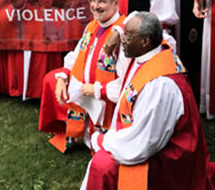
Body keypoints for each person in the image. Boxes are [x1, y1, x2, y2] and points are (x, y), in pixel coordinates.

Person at [80, 12, 215, 190]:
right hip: (148, 137)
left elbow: (143, 144)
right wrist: (119, 32)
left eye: (127, 36)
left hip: (167, 158)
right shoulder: (154, 52)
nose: (123, 41)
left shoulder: (159, 85)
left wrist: (102, 141)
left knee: (102, 165)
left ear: (145, 41)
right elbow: (136, 17)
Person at [39, 0, 126, 152]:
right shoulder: (92, 26)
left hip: (106, 96)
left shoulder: (123, 33)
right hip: (84, 90)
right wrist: (63, 76)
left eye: (101, 1)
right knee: (52, 78)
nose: (95, 6)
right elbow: (77, 54)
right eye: (93, 1)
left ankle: (98, 139)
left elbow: (126, 79)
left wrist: (96, 90)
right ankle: (82, 133)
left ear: (116, 3)